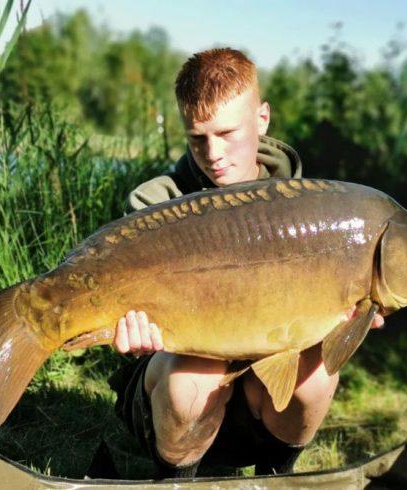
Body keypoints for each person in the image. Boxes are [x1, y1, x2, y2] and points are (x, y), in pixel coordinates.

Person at [109, 47, 384, 479]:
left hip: (256, 398)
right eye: (197, 138)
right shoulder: (155, 203)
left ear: (262, 120)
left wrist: (350, 315)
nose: (213, 153)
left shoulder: (310, 209)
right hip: (176, 390)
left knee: (315, 375)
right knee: (193, 378)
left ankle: (277, 475)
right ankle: (175, 481)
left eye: (227, 133)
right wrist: (135, 328)